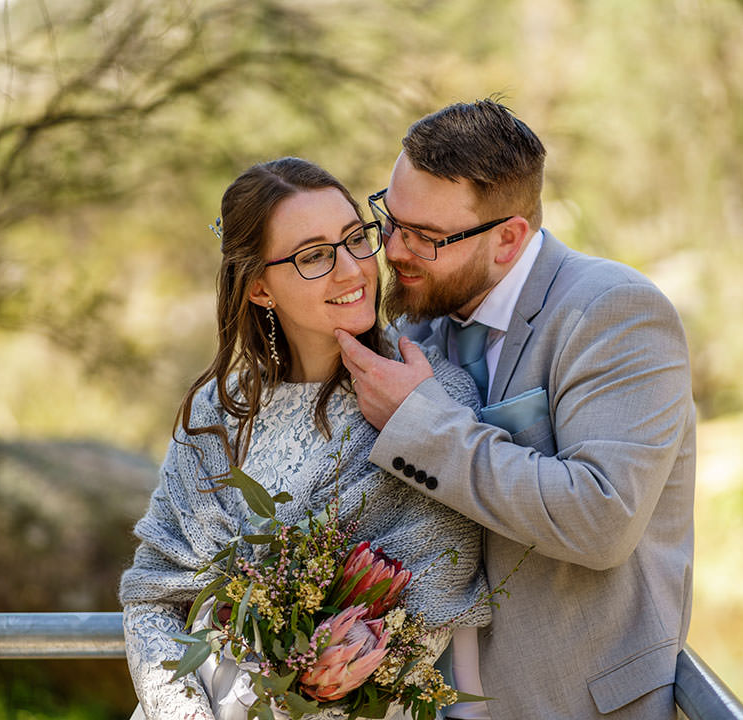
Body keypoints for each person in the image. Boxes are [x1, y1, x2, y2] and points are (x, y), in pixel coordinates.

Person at [336, 99, 696, 720]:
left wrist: (419, 426)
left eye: (426, 237)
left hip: (576, 703)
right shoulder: (417, 327)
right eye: (390, 220)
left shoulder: (615, 313)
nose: (393, 251)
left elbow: (600, 517)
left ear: (508, 239)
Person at [119, 158, 491, 720]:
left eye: (355, 240)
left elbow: (422, 621)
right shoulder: (216, 415)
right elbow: (153, 599)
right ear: (260, 288)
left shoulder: (438, 400)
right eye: (315, 255)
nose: (353, 271)